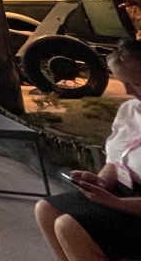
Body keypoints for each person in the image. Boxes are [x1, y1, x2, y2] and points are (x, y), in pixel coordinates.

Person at [36, 40, 141, 261]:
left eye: (136, 83)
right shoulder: (130, 110)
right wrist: (99, 182)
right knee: (45, 209)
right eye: (124, 82)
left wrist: (114, 202)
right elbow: (115, 160)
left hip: (133, 204)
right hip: (121, 192)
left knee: (68, 226)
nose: (128, 91)